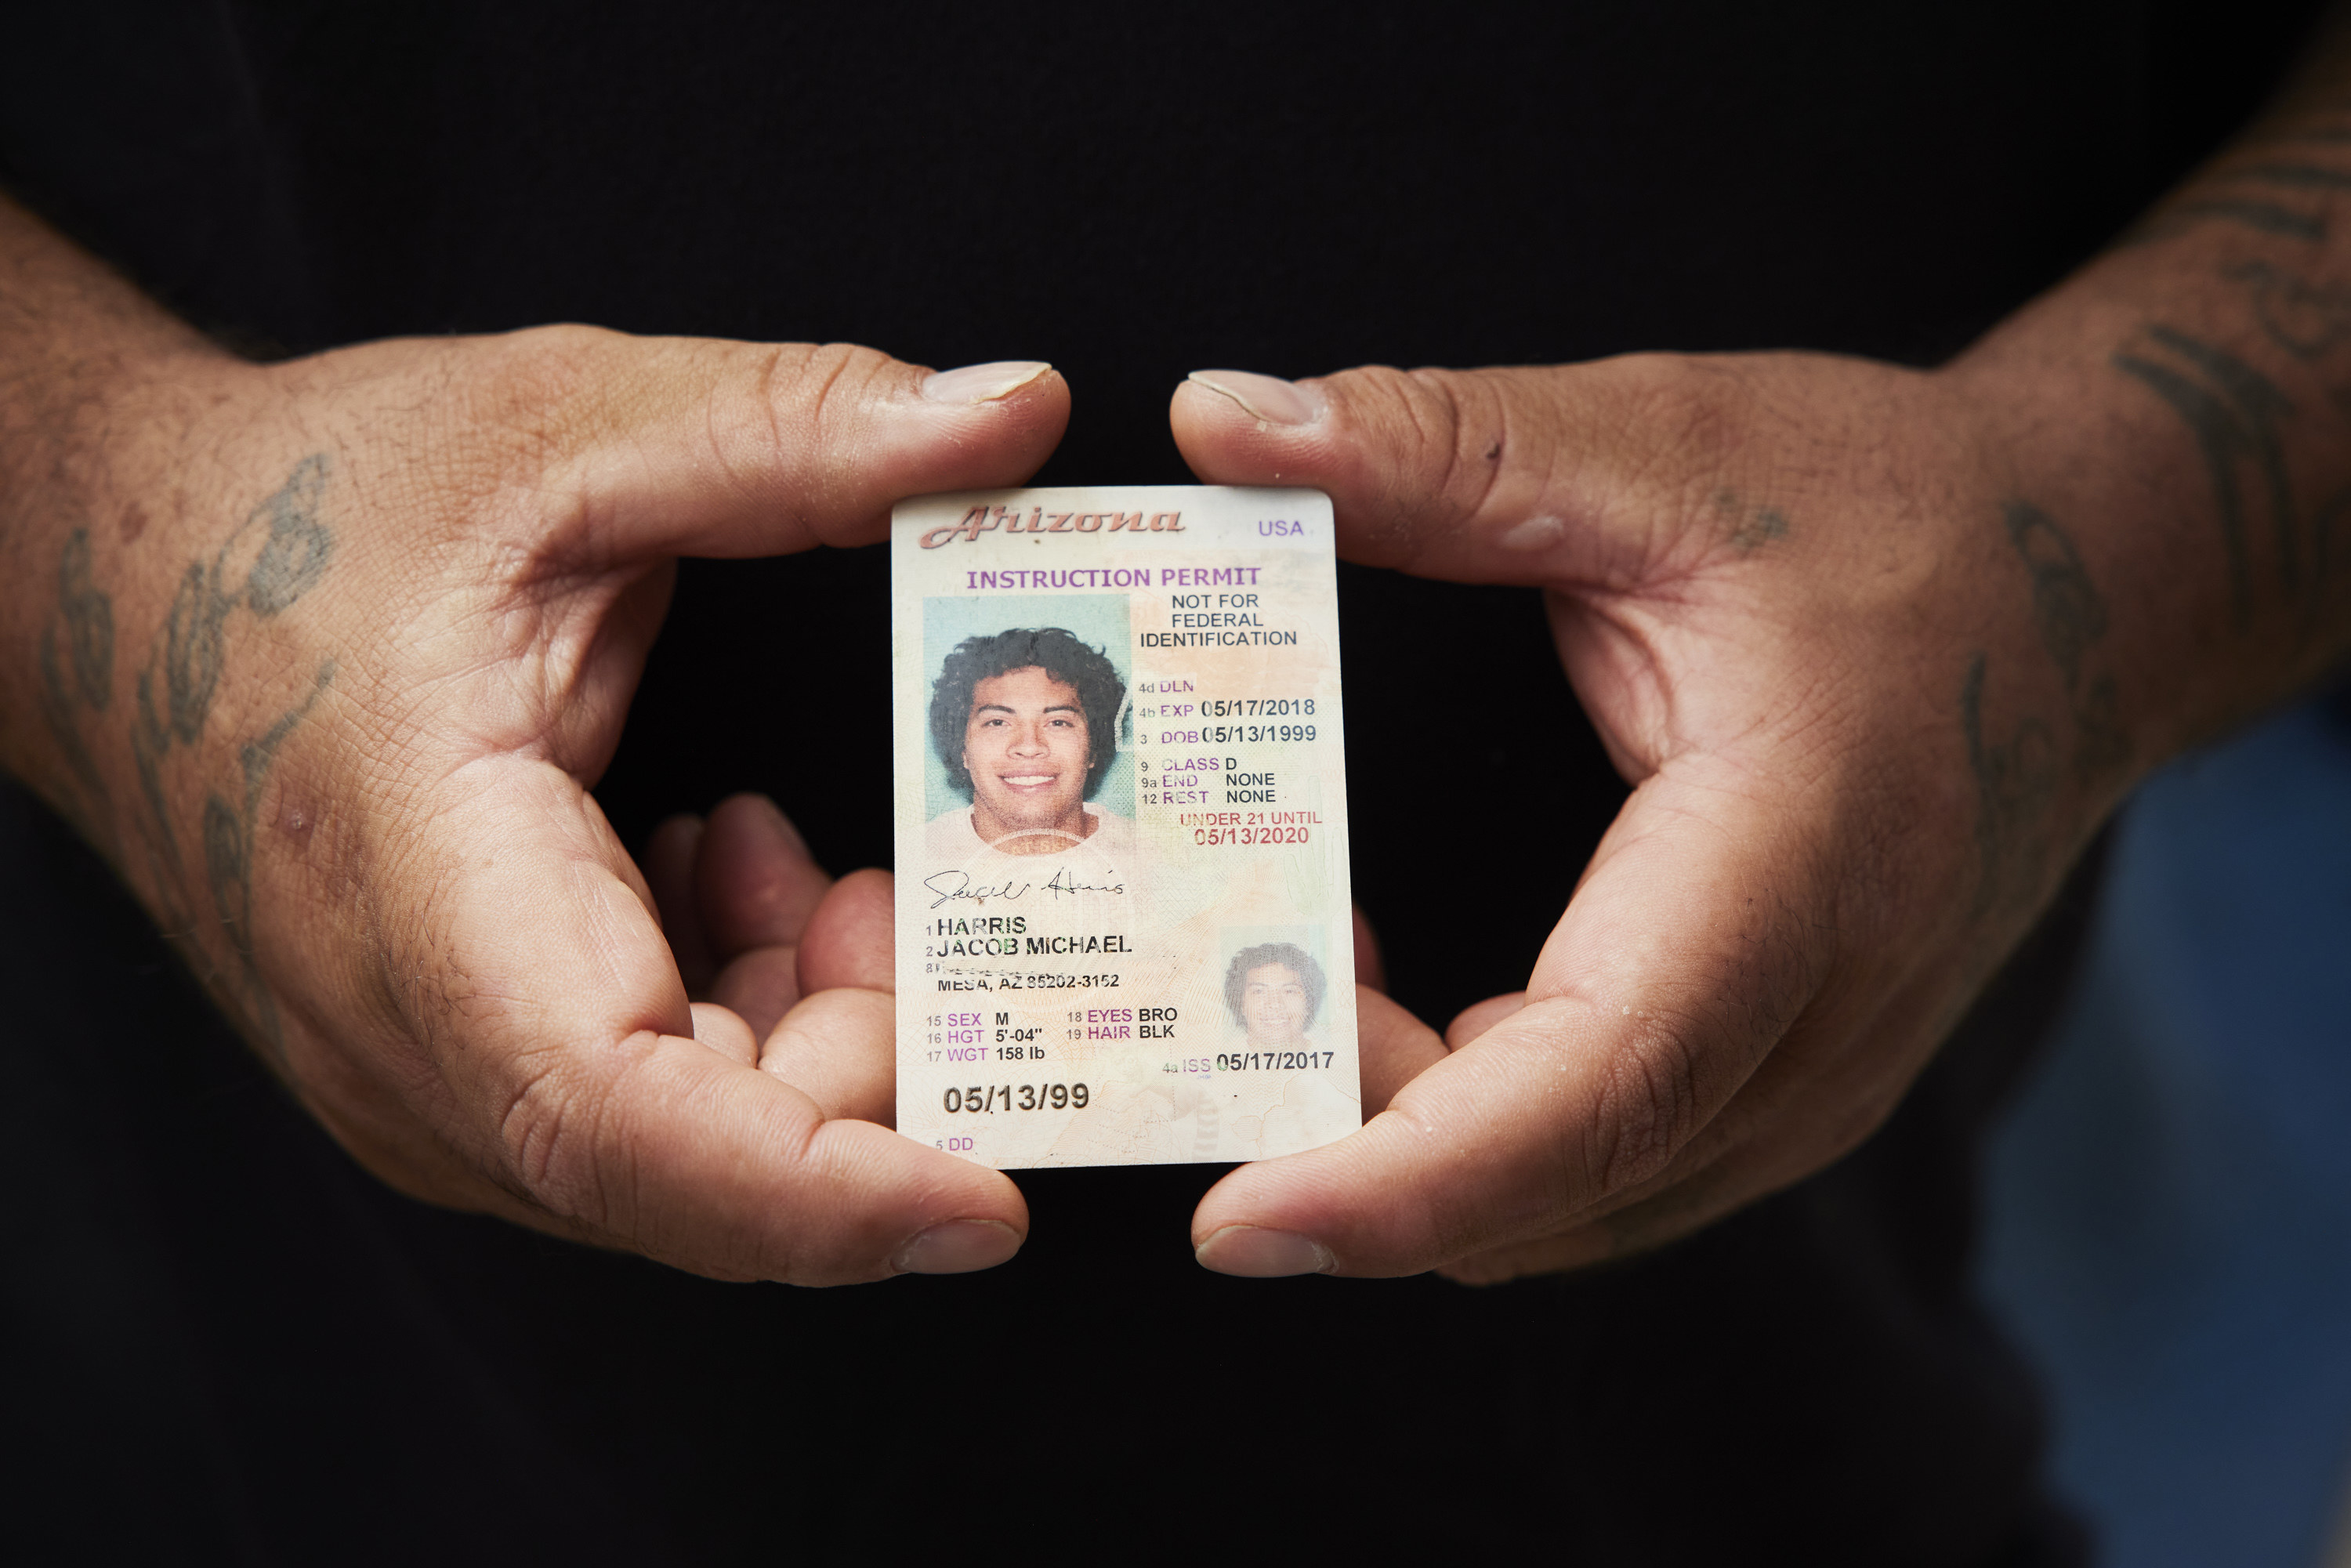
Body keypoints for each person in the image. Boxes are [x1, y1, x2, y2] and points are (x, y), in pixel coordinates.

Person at [1, 2, 2342, 1559]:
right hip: (274, 1404)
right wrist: (109, 548)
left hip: (1768, 1419)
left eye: (1049, 724)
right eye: (997, 720)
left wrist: (2098, 539)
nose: (1024, 740)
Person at [923, 627, 1133, 860]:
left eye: (1058, 723)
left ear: (1093, 747)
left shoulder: (1157, 858)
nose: (1030, 746)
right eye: (997, 722)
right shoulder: (912, 860)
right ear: (962, 749)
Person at [1223, 941, 1327, 1050]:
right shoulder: (1221, 1054)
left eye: (1289, 991)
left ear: (1309, 1002)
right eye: (1259, 991)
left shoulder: (1333, 1054)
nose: (1275, 1004)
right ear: (1241, 1004)